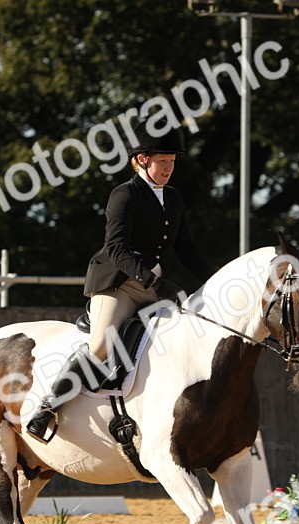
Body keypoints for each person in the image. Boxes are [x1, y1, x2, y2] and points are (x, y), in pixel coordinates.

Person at [26, 127, 214, 441]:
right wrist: (153, 281)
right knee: (100, 346)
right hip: (119, 285)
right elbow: (116, 249)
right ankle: (48, 406)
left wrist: (217, 278)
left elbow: (187, 249)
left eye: (171, 162)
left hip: (155, 289)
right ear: (142, 160)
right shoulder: (125, 194)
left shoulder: (173, 197)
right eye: (162, 162)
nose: (168, 168)